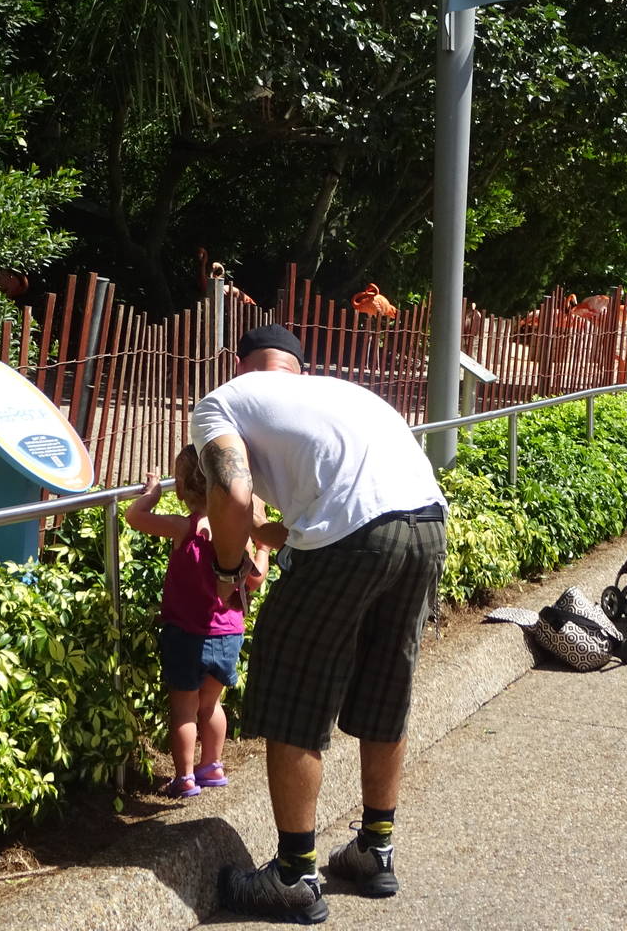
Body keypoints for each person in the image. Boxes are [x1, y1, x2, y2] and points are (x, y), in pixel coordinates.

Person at [192, 324, 447, 924]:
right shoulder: (342, 392)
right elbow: (353, 493)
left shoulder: (223, 401)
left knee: (292, 687)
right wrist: (269, 532)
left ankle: (293, 875)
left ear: (239, 365)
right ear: (298, 369)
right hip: (427, 525)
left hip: (356, 538)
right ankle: (375, 849)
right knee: (385, 684)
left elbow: (231, 490)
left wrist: (227, 568)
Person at [123, 445, 270, 799]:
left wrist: (151, 495)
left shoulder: (182, 528)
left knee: (184, 710)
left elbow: (134, 517)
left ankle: (185, 777)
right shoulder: (234, 535)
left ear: (182, 489)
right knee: (211, 705)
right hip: (227, 634)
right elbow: (255, 580)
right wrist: (263, 547)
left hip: (185, 635)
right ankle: (213, 765)